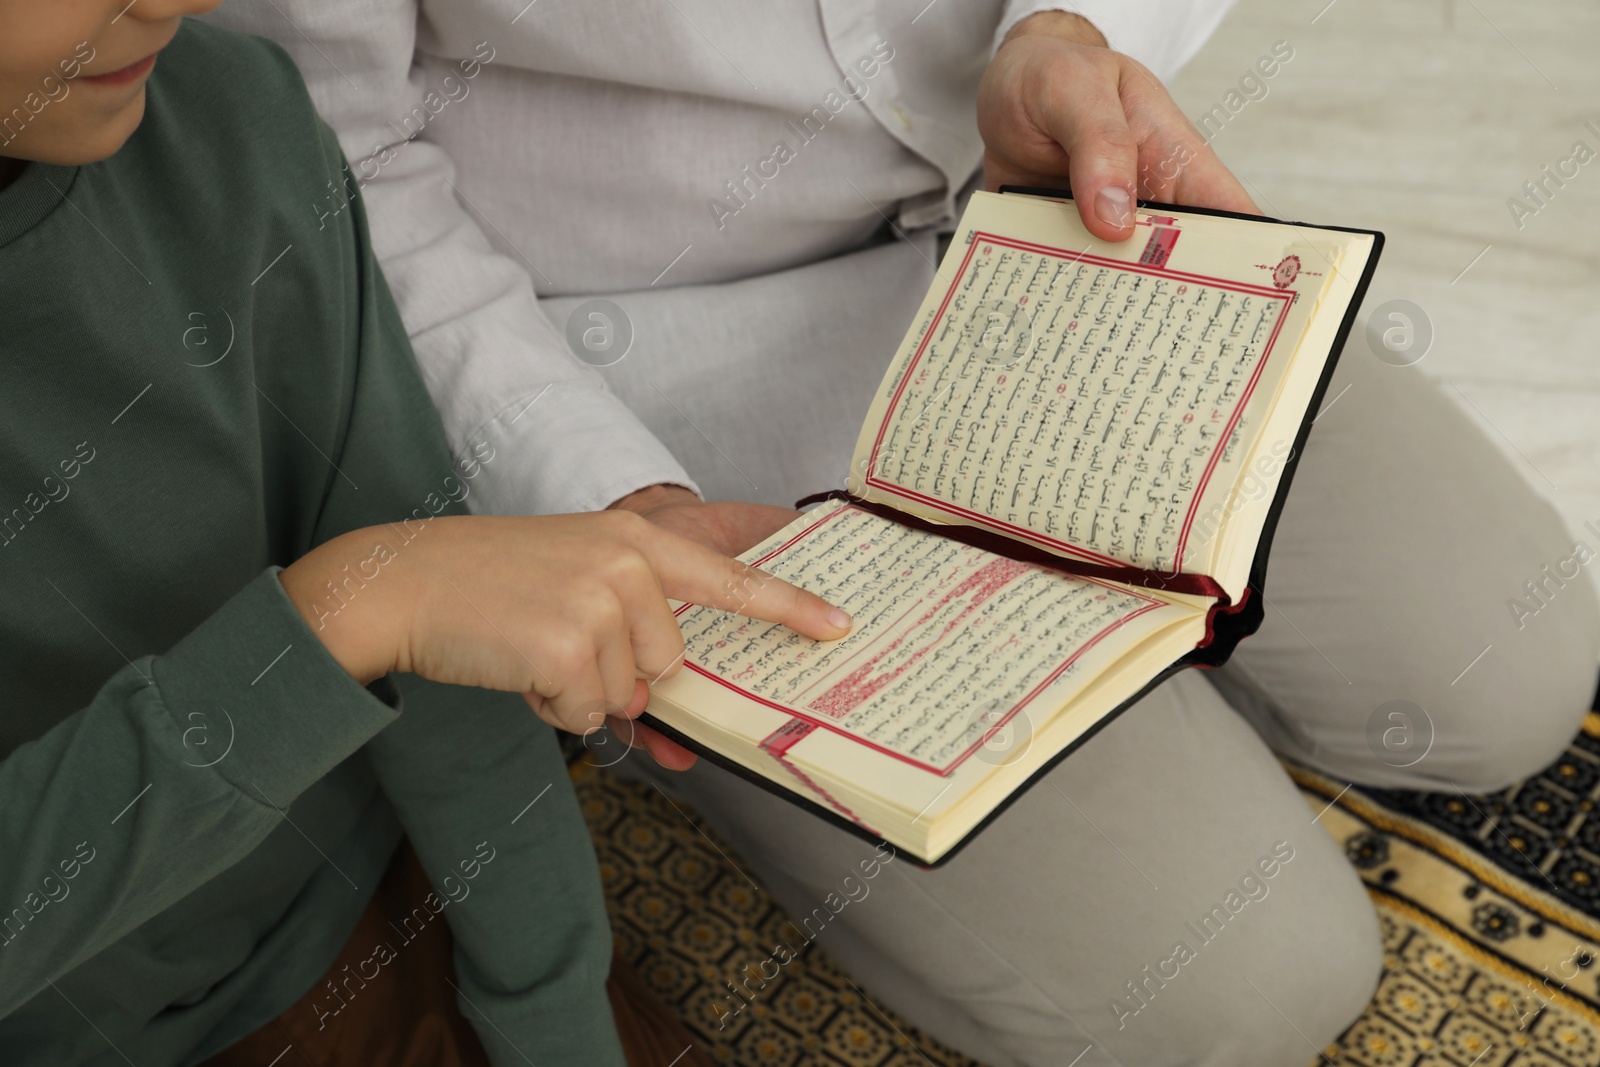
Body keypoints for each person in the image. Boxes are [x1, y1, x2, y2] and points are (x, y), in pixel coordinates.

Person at [209, 2, 1600, 1064]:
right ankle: (702, 739)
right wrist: (610, 500)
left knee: (1506, 674)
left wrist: (1063, 33)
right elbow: (326, 159)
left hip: (1042, 227)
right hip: (663, 383)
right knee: (1247, 980)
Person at [0, 3, 852, 1065]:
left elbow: (455, 693)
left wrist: (554, 1021)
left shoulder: (230, 117)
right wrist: (341, 619)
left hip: (389, 915)